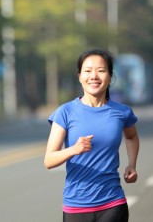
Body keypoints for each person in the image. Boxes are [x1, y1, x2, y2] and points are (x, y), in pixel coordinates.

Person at [44, 48, 140, 222]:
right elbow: (49, 160)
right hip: (75, 206)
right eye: (87, 71)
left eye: (101, 71)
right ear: (80, 76)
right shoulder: (65, 112)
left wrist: (131, 164)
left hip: (113, 203)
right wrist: (74, 150)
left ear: (110, 77)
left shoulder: (122, 112)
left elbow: (131, 136)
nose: (94, 76)